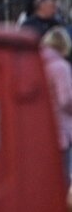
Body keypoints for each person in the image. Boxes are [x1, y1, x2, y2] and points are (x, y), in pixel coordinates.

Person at [42, 28, 72, 179]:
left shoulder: (37, 62)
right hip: (60, 130)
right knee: (61, 177)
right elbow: (66, 100)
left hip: (40, 131)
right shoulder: (60, 67)